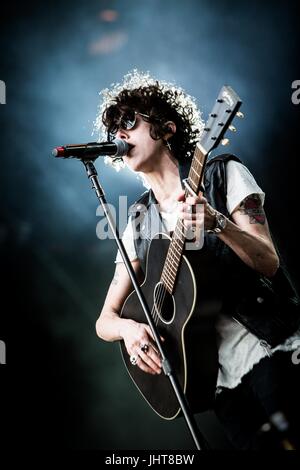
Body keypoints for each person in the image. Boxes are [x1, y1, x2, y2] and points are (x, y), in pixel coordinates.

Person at [95, 70, 300, 449]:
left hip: (271, 351)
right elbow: (104, 320)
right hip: (216, 383)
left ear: (168, 128)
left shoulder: (223, 174)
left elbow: (269, 262)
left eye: (129, 121)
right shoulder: (137, 223)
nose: (119, 136)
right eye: (114, 131)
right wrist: (129, 331)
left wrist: (217, 222)